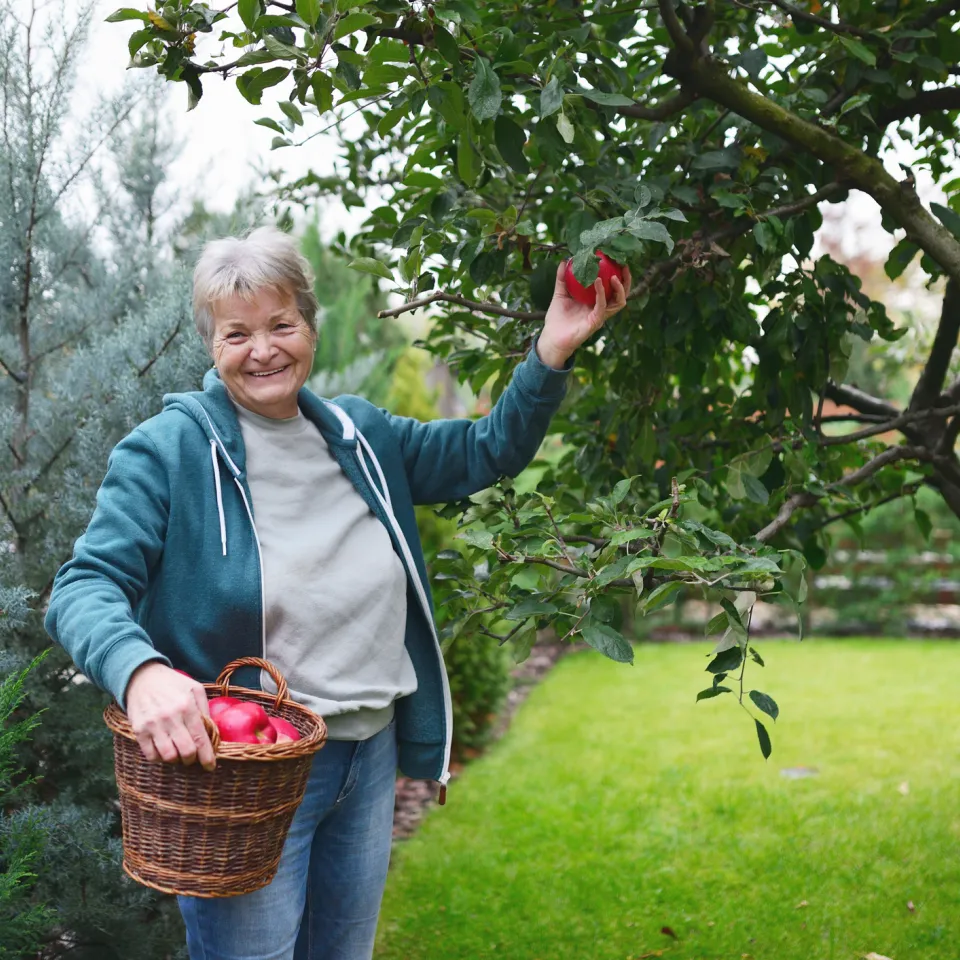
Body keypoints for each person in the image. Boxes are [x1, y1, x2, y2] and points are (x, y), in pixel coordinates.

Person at [44, 226, 631, 960]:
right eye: (237, 333)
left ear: (310, 326)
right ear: (211, 344)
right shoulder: (169, 451)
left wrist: (551, 349)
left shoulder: (361, 436)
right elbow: (84, 584)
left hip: (367, 754)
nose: (263, 349)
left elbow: (489, 449)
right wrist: (142, 671)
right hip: (249, 774)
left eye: (281, 324)